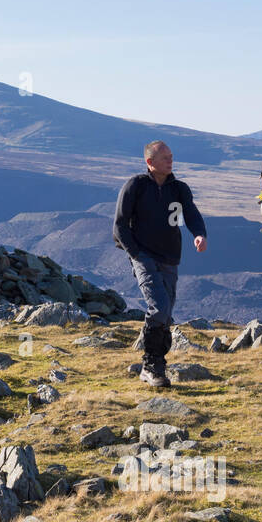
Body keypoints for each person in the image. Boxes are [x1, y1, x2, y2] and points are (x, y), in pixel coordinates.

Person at [113, 141, 208, 387]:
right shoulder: (136, 186)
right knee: (160, 306)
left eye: (171, 156)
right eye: (164, 157)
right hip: (143, 256)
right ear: (150, 162)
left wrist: (199, 233)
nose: (170, 161)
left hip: (170, 257)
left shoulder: (179, 189)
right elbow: (120, 225)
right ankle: (151, 366)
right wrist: (136, 254)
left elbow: (191, 214)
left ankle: (155, 365)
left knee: (165, 315)